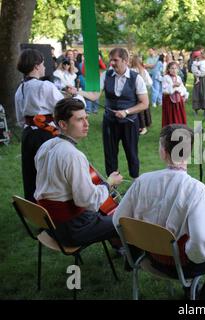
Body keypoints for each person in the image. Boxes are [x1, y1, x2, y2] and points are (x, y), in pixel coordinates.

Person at [113, 124, 205, 300]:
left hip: (148, 257)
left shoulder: (142, 181)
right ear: (189, 153)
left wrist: (145, 239)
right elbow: (201, 243)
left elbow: (118, 221)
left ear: (163, 152)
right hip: (180, 266)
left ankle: (197, 291)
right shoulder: (195, 190)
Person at [34, 98, 124, 249]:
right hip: (73, 228)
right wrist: (109, 184)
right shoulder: (73, 155)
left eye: (86, 118)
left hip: (52, 225)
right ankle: (133, 262)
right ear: (63, 124)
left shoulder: (46, 146)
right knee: (125, 221)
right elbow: (87, 201)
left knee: (108, 215)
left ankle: (120, 247)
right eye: (80, 119)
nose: (87, 124)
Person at [69, 48, 149, 180]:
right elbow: (94, 96)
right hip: (110, 122)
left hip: (130, 123)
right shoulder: (106, 75)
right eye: (110, 60)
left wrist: (126, 112)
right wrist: (77, 92)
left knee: (132, 153)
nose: (111, 63)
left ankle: (136, 182)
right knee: (110, 154)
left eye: (115, 60)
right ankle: (112, 185)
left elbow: (144, 103)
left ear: (125, 61)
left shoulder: (136, 78)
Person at [15, 49, 65, 202]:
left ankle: (35, 209)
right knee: (49, 173)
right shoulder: (45, 86)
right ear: (36, 66)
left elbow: (20, 119)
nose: (44, 67)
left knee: (32, 173)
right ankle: (53, 208)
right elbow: (63, 107)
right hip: (45, 135)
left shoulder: (20, 89)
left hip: (28, 135)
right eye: (43, 64)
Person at [130, 55, 153, 135]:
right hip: (138, 93)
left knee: (140, 111)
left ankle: (143, 127)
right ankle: (140, 127)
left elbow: (149, 82)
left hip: (138, 94)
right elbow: (150, 82)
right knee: (140, 110)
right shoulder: (137, 70)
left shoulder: (134, 70)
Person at [161, 61, 188, 127]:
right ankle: (170, 132)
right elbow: (164, 90)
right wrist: (173, 86)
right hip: (169, 101)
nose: (174, 70)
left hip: (178, 100)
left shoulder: (178, 77)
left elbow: (183, 88)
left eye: (175, 68)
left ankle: (180, 131)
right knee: (170, 116)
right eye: (172, 68)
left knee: (179, 115)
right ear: (168, 69)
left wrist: (184, 95)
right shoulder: (166, 78)